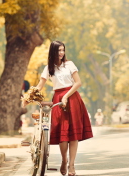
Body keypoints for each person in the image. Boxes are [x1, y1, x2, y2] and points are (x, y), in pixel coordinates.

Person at [22, 41, 93, 176]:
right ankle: (64, 159)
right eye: (59, 50)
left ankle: (71, 165)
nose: (61, 53)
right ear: (53, 51)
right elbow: (39, 86)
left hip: (72, 97)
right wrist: (27, 98)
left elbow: (78, 83)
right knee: (63, 135)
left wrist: (66, 96)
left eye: (63, 50)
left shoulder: (69, 65)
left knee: (73, 135)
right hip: (58, 98)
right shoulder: (49, 68)